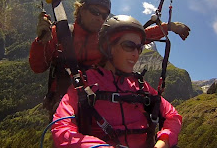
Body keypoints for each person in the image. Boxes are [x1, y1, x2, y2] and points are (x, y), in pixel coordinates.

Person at [29, 0, 190, 115]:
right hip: (63, 108)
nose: (100, 18)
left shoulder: (105, 39)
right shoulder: (60, 33)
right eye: (95, 12)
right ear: (80, 9)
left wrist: (169, 27)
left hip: (96, 107)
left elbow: (140, 35)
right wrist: (41, 42)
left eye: (104, 15)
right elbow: (37, 67)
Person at [51, 15, 182, 148]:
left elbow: (172, 115)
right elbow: (61, 130)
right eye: (129, 46)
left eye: (139, 48)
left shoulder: (141, 86)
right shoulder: (84, 84)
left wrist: (163, 142)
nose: (136, 54)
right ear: (108, 47)